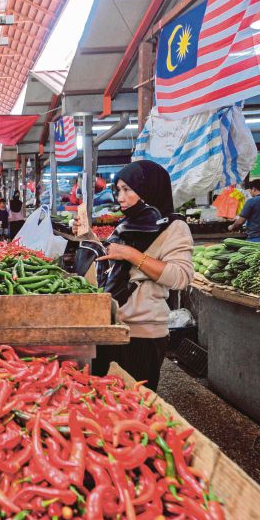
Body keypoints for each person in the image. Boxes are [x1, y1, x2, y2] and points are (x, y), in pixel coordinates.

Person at [73, 160, 193, 390]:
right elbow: (114, 265)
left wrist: (132, 254)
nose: (120, 197)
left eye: (127, 189)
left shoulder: (174, 227)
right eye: (118, 190)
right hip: (110, 327)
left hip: (142, 334)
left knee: (134, 405)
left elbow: (181, 276)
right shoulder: (129, 223)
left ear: (149, 190)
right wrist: (87, 236)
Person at [228, 179, 260, 243]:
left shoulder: (251, 202)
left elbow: (240, 222)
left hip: (254, 239)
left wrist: (232, 227)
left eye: (250, 191)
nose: (250, 193)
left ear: (253, 189)